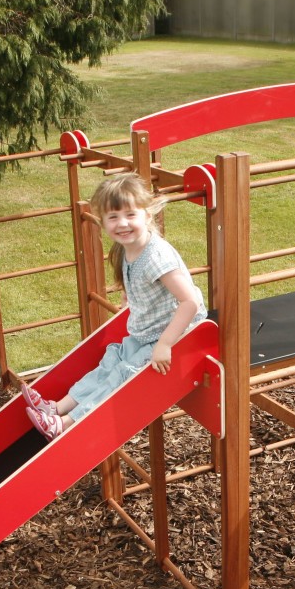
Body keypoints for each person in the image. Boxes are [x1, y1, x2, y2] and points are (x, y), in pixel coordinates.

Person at [25, 173, 206, 440]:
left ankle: (65, 423)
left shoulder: (157, 256)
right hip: (147, 331)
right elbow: (135, 279)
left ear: (147, 215)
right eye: (113, 217)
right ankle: (57, 407)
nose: (122, 223)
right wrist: (129, 298)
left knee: (120, 378)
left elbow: (189, 301)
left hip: (177, 335)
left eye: (130, 214)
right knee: (109, 364)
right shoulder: (128, 247)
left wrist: (166, 344)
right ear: (103, 221)